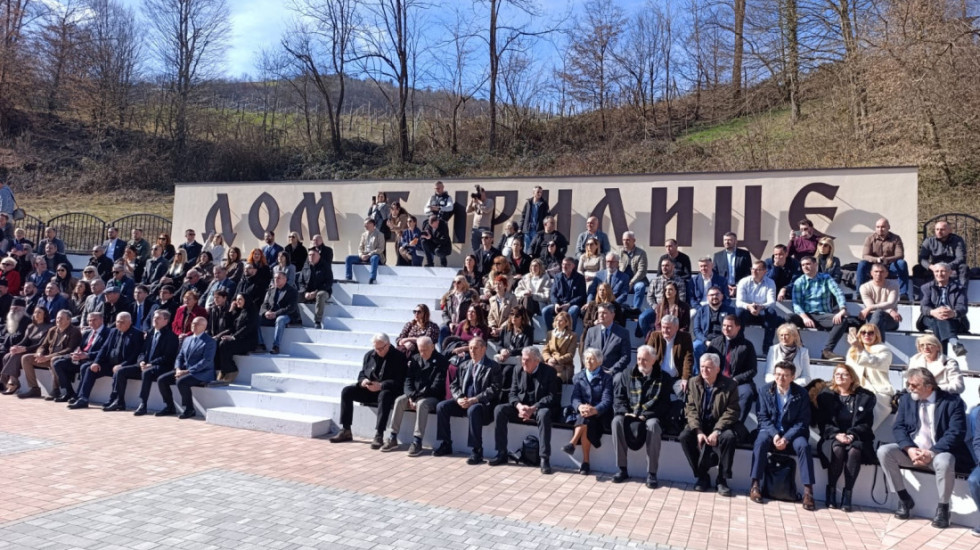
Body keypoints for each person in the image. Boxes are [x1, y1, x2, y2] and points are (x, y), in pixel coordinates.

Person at [878, 367, 972, 529]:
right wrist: (909, 449)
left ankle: (943, 508)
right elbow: (898, 427)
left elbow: (956, 432)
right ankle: (904, 499)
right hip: (912, 452)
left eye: (914, 385)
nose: (910, 388)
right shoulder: (907, 399)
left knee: (945, 461)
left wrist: (932, 452)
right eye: (908, 384)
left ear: (929, 387)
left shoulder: (952, 402)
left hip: (938, 452)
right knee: (884, 451)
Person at [748, 361, 816, 510]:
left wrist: (786, 438)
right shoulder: (764, 390)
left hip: (793, 432)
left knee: (804, 446)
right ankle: (755, 485)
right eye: (778, 374)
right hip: (770, 430)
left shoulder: (802, 394)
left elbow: (802, 421)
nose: (781, 378)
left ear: (793, 377)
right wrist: (775, 435)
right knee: (760, 442)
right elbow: (762, 417)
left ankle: (808, 492)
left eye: (785, 375)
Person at [488, 346, 560, 474]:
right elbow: (512, 394)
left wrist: (533, 408)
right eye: (522, 359)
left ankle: (544, 458)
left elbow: (551, 397)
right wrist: (519, 406)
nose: (523, 362)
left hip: (539, 407)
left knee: (544, 415)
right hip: (522, 407)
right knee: (499, 409)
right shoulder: (518, 369)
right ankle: (501, 452)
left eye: (527, 360)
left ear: (537, 361)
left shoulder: (549, 372)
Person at [607, 345, 671, 487]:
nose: (641, 363)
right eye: (639, 359)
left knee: (653, 426)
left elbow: (664, 405)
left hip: (651, 415)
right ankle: (622, 469)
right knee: (616, 421)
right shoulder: (627, 373)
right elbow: (619, 398)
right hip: (629, 412)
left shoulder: (664, 378)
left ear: (653, 360)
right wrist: (625, 412)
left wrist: (645, 415)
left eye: (645, 360)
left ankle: (652, 473)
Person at [679, 353, 742, 495]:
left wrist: (717, 431)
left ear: (717, 369)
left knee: (729, 438)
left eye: (708, 367)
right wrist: (698, 430)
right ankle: (701, 475)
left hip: (720, 425)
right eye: (702, 367)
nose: (704, 371)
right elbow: (690, 408)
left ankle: (722, 479)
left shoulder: (730, 385)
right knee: (684, 437)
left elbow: (732, 411)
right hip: (700, 424)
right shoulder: (693, 382)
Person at [329, 333, 407, 448]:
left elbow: (401, 381)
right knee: (347, 391)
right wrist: (363, 381)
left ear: (388, 345)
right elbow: (362, 373)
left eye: (381, 348)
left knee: (384, 395)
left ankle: (379, 435)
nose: (378, 351)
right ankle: (346, 430)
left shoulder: (399, 357)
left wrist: (381, 385)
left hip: (387, 391)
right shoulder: (369, 355)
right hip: (369, 389)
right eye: (376, 348)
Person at [817, 363, 876, 511]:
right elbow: (823, 422)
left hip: (857, 437)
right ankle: (831, 491)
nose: (840, 377)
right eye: (837, 374)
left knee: (854, 451)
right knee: (837, 450)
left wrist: (851, 435)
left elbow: (866, 424)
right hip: (832, 437)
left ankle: (847, 494)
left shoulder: (864, 397)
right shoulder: (826, 396)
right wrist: (837, 434)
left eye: (844, 374)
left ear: (852, 378)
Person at [433, 337, 502, 464]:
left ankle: (477, 450)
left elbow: (494, 389)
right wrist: (459, 398)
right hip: (464, 401)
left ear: (484, 349)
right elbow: (454, 385)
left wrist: (475, 399)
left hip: (483, 405)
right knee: (442, 406)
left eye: (475, 348)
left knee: (474, 409)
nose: (472, 351)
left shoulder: (493, 367)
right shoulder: (464, 365)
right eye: (470, 348)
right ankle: (446, 443)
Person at [380, 336, 448, 456]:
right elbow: (408, 380)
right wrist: (411, 396)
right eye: (420, 350)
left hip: (431, 397)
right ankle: (392, 436)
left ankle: (417, 440)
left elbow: (436, 386)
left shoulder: (441, 361)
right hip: (415, 395)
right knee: (399, 401)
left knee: (422, 404)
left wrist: (418, 398)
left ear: (432, 347)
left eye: (425, 350)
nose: (422, 353)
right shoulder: (415, 359)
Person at [104, 310, 179, 413]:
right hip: (145, 365)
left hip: (161, 367)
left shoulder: (171, 337)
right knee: (121, 371)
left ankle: (143, 403)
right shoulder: (150, 333)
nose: (154, 320)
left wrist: (151, 364)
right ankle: (119, 401)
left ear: (166, 321)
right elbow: (142, 352)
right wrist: (142, 361)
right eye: (154, 318)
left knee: (147, 373)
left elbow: (167, 357)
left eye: (158, 318)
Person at [66, 312, 143, 410]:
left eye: (122, 322)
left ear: (129, 322)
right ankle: (83, 398)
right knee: (89, 368)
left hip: (125, 365)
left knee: (118, 372)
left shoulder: (137, 334)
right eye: (117, 322)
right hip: (110, 364)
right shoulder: (114, 331)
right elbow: (104, 349)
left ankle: (115, 400)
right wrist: (96, 362)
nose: (119, 324)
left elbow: (135, 354)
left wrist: (122, 365)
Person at [790, 255, 853, 361]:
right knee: (788, 318)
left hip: (823, 315)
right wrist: (805, 317)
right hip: (806, 315)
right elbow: (796, 304)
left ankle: (827, 351)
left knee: (842, 321)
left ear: (815, 264)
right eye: (803, 265)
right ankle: (799, 348)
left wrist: (842, 309)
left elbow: (838, 293)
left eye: (808, 264)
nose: (805, 267)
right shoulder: (799, 282)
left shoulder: (826, 278)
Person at [563, 347, 613, 475]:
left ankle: (573, 444)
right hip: (583, 413)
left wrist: (595, 410)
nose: (588, 361)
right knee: (585, 419)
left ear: (599, 362)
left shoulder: (607, 378)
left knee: (587, 419)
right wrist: (580, 407)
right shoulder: (579, 377)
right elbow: (575, 398)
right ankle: (585, 462)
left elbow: (607, 401)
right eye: (586, 359)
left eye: (592, 359)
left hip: (599, 415)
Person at [155, 316, 215, 419]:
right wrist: (178, 369)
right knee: (162, 380)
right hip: (184, 370)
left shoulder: (209, 341)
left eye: (197, 324)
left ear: (204, 327)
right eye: (192, 323)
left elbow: (206, 361)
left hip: (202, 372)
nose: (193, 326)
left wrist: (187, 371)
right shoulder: (187, 339)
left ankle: (189, 409)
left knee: (182, 382)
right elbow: (180, 356)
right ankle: (169, 406)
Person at [17, 309, 81, 399]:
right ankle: (34, 388)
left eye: (61, 318)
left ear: (69, 320)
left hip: (63, 359)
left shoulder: (74, 331)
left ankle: (56, 390)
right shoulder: (52, 330)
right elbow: (43, 345)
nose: (58, 320)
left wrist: (48, 357)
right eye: (57, 318)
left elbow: (69, 349)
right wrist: (39, 353)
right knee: (26, 358)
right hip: (48, 357)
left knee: (54, 360)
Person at [707, 315, 758, 423]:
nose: (726, 328)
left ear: (738, 327)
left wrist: (736, 379)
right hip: (718, 380)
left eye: (729, 326)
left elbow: (752, 370)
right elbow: (707, 364)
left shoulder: (747, 345)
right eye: (724, 325)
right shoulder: (714, 343)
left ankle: (736, 424)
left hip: (739, 382)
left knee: (747, 393)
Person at [846, 323, 894, 432]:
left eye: (871, 333)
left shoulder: (884, 350)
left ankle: (861, 433)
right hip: (856, 388)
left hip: (878, 390)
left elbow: (875, 362)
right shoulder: (852, 351)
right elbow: (848, 371)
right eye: (863, 332)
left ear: (876, 335)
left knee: (871, 405)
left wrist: (859, 348)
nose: (867, 335)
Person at [52, 311, 107, 402]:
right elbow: (81, 347)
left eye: (94, 320)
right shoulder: (87, 332)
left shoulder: (108, 332)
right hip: (80, 359)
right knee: (58, 363)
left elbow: (104, 351)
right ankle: (69, 392)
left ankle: (79, 396)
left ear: (101, 320)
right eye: (89, 320)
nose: (91, 322)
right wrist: (76, 353)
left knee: (85, 367)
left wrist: (87, 355)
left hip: (94, 360)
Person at [917, 262, 970, 356]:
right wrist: (933, 312)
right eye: (936, 271)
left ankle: (941, 358)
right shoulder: (926, 287)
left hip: (954, 320)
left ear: (950, 273)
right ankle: (955, 343)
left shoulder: (959, 288)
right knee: (939, 318)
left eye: (943, 271)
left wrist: (952, 313)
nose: (939, 274)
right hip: (929, 318)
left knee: (940, 321)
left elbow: (962, 307)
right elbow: (924, 307)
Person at [0, 307, 51, 394]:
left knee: (17, 355)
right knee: (7, 355)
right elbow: (24, 341)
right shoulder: (31, 326)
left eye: (39, 312)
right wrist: (16, 347)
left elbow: (41, 344)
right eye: (35, 312)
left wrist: (24, 349)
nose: (36, 314)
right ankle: (11, 381)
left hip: (39, 351)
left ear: (45, 315)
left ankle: (11, 381)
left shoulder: (49, 327)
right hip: (27, 350)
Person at [856, 217, 910, 299]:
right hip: (874, 266)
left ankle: (903, 294)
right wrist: (876, 260)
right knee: (862, 264)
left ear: (888, 227)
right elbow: (865, 255)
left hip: (890, 266)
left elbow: (900, 255)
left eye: (883, 227)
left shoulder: (896, 238)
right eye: (878, 227)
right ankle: (859, 293)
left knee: (902, 263)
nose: (880, 229)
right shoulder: (870, 238)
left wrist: (886, 260)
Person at [735, 260, 780, 353]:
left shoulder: (770, 282)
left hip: (762, 311)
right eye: (753, 269)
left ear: (765, 271)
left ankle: (767, 347)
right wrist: (749, 306)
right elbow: (739, 302)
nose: (754, 272)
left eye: (758, 270)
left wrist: (761, 307)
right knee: (739, 311)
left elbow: (772, 302)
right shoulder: (743, 281)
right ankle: (739, 343)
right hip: (747, 311)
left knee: (772, 312)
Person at [644, 314, 695, 393]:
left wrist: (685, 378)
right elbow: (648, 356)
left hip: (676, 378)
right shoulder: (655, 336)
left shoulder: (685, 337)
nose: (665, 330)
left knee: (683, 390)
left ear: (676, 327)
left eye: (668, 328)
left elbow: (688, 359)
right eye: (663, 327)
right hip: (659, 377)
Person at [213, 294, 257, 384]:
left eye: (240, 299)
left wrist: (233, 337)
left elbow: (247, 328)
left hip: (248, 341)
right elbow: (230, 326)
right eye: (236, 300)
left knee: (224, 344)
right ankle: (222, 370)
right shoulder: (239, 311)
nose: (237, 302)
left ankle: (231, 370)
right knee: (217, 342)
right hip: (238, 338)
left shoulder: (252, 312)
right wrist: (231, 310)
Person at [638, 258, 688, 337]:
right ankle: (651, 340)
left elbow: (682, 298)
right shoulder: (655, 281)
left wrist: (672, 308)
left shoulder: (679, 281)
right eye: (662, 266)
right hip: (657, 308)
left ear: (673, 267)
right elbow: (650, 297)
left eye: (667, 265)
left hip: (672, 308)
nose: (664, 267)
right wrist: (656, 308)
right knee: (642, 318)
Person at [581, 304, 631, 374]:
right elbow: (586, 353)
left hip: (613, 373)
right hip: (593, 371)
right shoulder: (591, 331)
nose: (601, 315)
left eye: (604, 313)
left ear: (613, 315)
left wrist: (612, 371)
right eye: (599, 313)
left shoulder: (623, 333)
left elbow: (626, 357)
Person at [919, 220, 969, 289]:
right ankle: (919, 296)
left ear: (949, 230)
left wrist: (947, 267)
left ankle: (961, 292)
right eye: (937, 229)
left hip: (952, 267)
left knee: (964, 267)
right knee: (917, 268)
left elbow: (961, 258)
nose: (939, 232)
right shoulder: (929, 241)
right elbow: (922, 258)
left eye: (942, 229)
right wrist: (931, 266)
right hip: (935, 267)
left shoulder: (957, 240)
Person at [258, 272, 299, 355]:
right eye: (275, 278)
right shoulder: (270, 291)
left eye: (279, 278)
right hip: (271, 315)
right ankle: (260, 344)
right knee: (255, 319)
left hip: (287, 315)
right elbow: (264, 304)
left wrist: (276, 313)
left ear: (285, 279)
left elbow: (291, 307)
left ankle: (276, 346)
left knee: (280, 320)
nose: (276, 280)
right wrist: (266, 312)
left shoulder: (292, 291)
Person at [691, 286, 736, 363]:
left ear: (722, 296)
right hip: (705, 339)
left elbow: (733, 328)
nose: (714, 297)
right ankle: (698, 373)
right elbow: (696, 330)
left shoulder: (730, 311)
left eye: (717, 294)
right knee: (696, 346)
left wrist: (722, 341)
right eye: (711, 295)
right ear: (707, 297)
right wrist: (705, 341)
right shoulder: (701, 311)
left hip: (723, 340)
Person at [542, 257, 586, 332]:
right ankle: (552, 334)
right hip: (559, 303)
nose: (564, 267)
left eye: (567, 265)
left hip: (572, 304)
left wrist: (569, 304)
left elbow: (581, 296)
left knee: (573, 311)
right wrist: (556, 303)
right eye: (563, 264)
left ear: (573, 266)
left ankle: (569, 334)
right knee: (545, 310)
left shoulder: (580, 278)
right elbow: (553, 293)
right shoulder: (557, 277)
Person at [859, 262, 902, 338]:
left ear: (886, 274)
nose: (878, 274)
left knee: (878, 315)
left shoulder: (893, 285)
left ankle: (869, 337)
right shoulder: (864, 287)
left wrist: (869, 308)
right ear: (871, 273)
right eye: (876, 271)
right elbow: (871, 306)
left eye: (881, 272)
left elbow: (891, 303)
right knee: (878, 317)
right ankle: (879, 346)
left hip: (891, 319)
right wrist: (890, 310)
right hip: (873, 317)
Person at [296, 247, 332, 329]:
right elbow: (300, 282)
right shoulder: (305, 267)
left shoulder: (325, 266)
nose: (311, 257)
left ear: (318, 256)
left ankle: (317, 321)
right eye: (309, 255)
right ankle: (296, 319)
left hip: (322, 291)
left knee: (320, 295)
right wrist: (305, 292)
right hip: (307, 292)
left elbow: (329, 282)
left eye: (313, 255)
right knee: (293, 295)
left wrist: (316, 292)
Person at [439, 276, 478, 349]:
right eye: (454, 282)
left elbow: (474, 311)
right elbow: (444, 313)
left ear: (464, 283)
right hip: (451, 322)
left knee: (462, 329)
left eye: (458, 282)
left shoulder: (470, 296)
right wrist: (449, 323)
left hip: (464, 322)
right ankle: (442, 352)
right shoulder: (449, 297)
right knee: (442, 329)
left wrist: (462, 323)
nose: (456, 284)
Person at [344, 218, 385, 284]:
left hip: (373, 255)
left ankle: (372, 278)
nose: (365, 226)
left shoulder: (380, 234)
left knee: (375, 258)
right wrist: (361, 255)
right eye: (364, 224)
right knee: (348, 258)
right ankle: (348, 278)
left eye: (367, 224)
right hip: (364, 255)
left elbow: (381, 249)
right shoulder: (364, 235)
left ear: (372, 224)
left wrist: (369, 255)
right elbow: (360, 247)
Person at [713, 232, 752, 299]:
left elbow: (748, 273)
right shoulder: (717, 256)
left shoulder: (744, 254)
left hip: (741, 289)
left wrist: (738, 286)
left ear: (736, 241)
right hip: (723, 289)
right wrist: (725, 286)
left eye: (729, 240)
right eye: (725, 240)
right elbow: (715, 273)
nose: (727, 242)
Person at [541, 311, 577, 383]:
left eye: (561, 321)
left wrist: (557, 360)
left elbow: (570, 354)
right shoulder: (550, 333)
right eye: (557, 320)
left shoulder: (572, 335)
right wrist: (549, 359)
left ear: (567, 323)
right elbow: (545, 351)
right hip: (550, 364)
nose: (558, 322)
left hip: (564, 366)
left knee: (556, 378)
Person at [618, 231, 648, 312]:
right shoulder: (619, 252)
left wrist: (632, 282)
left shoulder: (641, 253)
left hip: (637, 281)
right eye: (624, 240)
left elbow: (642, 271)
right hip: (623, 281)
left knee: (640, 287)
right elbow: (616, 267)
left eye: (628, 240)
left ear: (634, 240)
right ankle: (616, 308)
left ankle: (635, 309)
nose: (625, 242)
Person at [466, 186, 493, 252]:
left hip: (485, 228)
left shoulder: (489, 201)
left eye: (479, 193)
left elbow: (487, 210)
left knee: (486, 247)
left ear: (483, 193)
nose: (478, 196)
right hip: (475, 228)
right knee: (475, 248)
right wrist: (472, 201)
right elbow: (467, 210)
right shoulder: (476, 202)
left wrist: (478, 203)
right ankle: (476, 261)